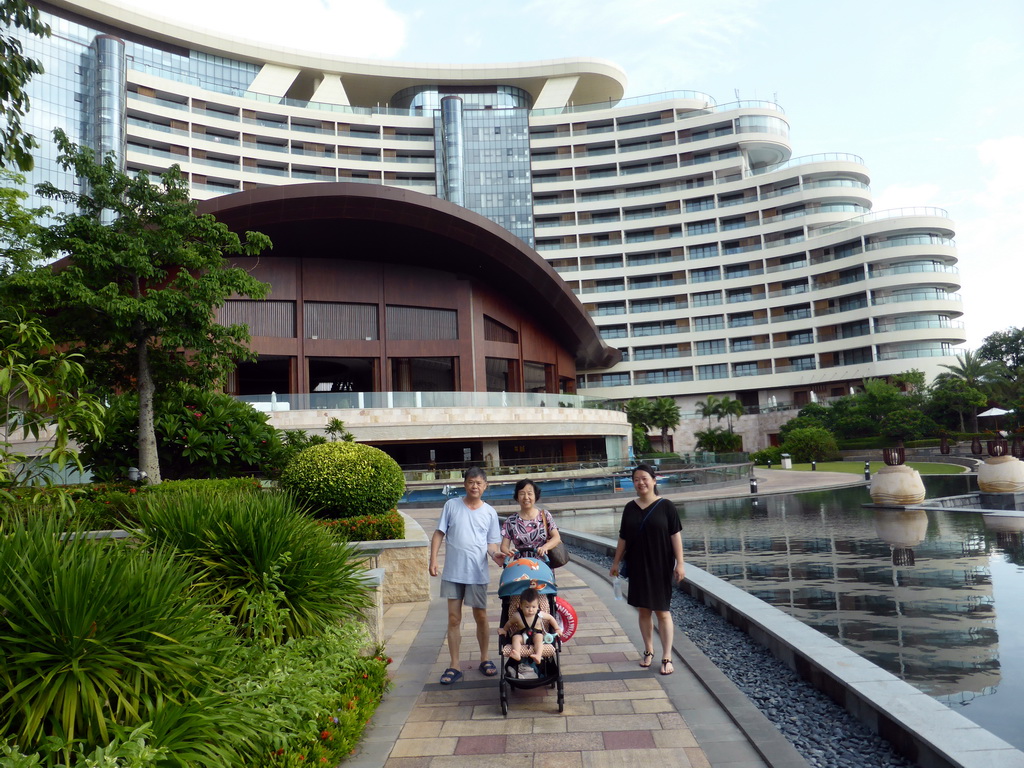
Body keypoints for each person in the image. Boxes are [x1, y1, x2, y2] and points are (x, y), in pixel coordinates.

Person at [609, 463, 685, 676]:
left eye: (644, 478)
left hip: (660, 565)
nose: (640, 483)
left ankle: (667, 656)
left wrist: (680, 563)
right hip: (638, 565)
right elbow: (623, 537)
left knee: (662, 611)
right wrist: (615, 563)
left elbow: (675, 535)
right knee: (643, 610)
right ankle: (648, 651)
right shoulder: (629, 507)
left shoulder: (666, 506)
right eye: (636, 479)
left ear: (654, 480)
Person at [429, 467, 501, 685]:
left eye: (479, 483)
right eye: (471, 482)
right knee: (453, 618)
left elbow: (492, 542)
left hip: (477, 572)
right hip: (453, 572)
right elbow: (439, 533)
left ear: (485, 486)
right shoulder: (451, 505)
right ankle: (454, 664)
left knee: (481, 616)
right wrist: (433, 559)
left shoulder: (489, 512)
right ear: (465, 484)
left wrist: (496, 554)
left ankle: (485, 658)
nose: (475, 486)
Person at [492, 479, 561, 564]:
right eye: (522, 493)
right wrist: (509, 551)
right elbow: (504, 546)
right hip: (520, 566)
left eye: (529, 493)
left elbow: (556, 538)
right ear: (517, 497)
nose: (526, 497)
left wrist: (545, 547)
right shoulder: (511, 520)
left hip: (543, 566)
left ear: (535, 496)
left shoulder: (545, 516)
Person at [498, 587, 561, 664]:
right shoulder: (517, 616)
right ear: (521, 606)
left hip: (535, 634)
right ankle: (517, 653)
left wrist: (557, 628)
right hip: (522, 636)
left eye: (533, 607)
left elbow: (551, 618)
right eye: (527, 607)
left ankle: (538, 655)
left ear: (538, 606)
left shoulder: (540, 614)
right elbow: (509, 623)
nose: (530, 610)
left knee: (539, 638)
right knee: (515, 638)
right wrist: (504, 630)